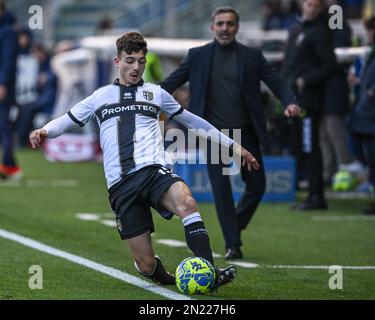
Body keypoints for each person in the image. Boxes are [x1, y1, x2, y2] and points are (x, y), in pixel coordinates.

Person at [29, 32, 260, 288]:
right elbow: (67, 119)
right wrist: (44, 131)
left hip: (153, 171)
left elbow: (194, 122)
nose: (136, 67)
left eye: (141, 61)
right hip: (121, 186)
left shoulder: (156, 94)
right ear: (118, 61)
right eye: (130, 60)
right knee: (146, 264)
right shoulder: (100, 96)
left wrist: (234, 146)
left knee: (187, 203)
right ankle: (163, 276)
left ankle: (210, 273)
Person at [161, 7, 301, 259]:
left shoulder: (252, 57)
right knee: (221, 189)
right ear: (212, 26)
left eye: (230, 24)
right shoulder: (197, 56)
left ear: (236, 27)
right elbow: (170, 83)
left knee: (257, 186)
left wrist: (290, 101)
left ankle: (233, 227)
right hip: (212, 134)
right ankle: (232, 244)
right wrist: (142, 97)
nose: (225, 28)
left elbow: (276, 81)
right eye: (221, 23)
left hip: (245, 134)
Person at [282, 0, 337, 210]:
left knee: (310, 146)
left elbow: (330, 65)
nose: (311, 8)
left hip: (309, 101)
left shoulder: (320, 32)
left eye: (315, 5)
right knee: (301, 147)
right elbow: (289, 63)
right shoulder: (297, 30)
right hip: (294, 99)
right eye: (308, 4)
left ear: (321, 8)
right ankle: (310, 194)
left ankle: (317, 196)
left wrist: (306, 79)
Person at [349, 16, 375, 214]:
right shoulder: (370, 53)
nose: (370, 34)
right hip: (365, 115)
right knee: (370, 157)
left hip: (370, 114)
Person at [15, 43, 57, 147]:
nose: (35, 56)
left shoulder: (51, 63)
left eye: (36, 53)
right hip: (41, 98)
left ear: (42, 53)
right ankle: (21, 137)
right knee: (23, 108)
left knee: (28, 109)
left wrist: (47, 77)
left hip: (49, 99)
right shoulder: (39, 65)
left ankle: (21, 140)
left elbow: (54, 76)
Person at [0, 1, 22, 179]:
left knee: (4, 126)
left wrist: (2, 84)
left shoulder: (7, 32)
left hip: (3, 86)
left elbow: (7, 61)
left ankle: (9, 166)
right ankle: (10, 165)